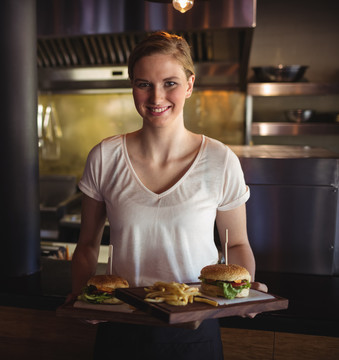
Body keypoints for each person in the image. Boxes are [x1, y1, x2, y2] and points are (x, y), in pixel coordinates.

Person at [69, 31, 267, 359]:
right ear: (132, 86)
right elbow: (88, 244)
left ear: (190, 84)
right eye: (144, 84)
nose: (156, 97)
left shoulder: (220, 160)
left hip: (196, 326)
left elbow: (236, 245)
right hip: (121, 323)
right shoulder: (105, 157)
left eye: (170, 83)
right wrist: (80, 297)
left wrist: (242, 293)